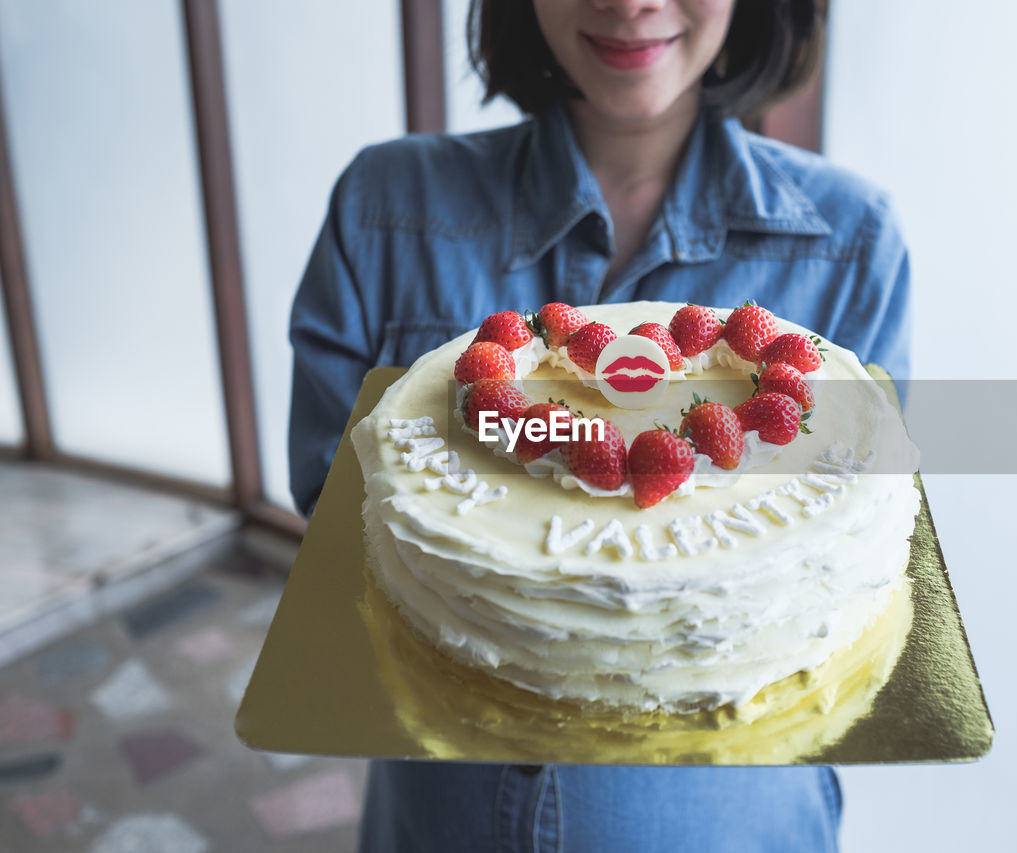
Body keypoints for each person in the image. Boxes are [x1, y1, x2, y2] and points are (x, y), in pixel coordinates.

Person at [288, 0, 909, 849]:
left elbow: (860, 554)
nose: (629, 3)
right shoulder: (385, 208)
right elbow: (338, 510)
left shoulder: (851, 241)